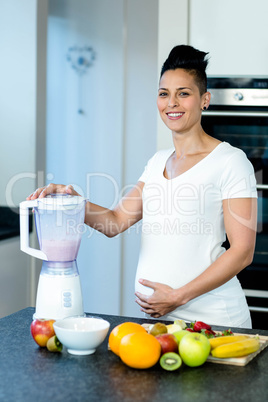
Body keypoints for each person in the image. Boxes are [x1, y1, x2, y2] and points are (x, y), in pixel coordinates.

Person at [27, 45, 257, 328]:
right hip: (161, 323)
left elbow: (242, 252)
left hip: (215, 321)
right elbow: (115, 222)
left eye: (183, 93)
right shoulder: (157, 161)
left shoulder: (231, 161)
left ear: (204, 100)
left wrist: (178, 296)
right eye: (164, 94)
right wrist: (74, 200)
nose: (172, 102)